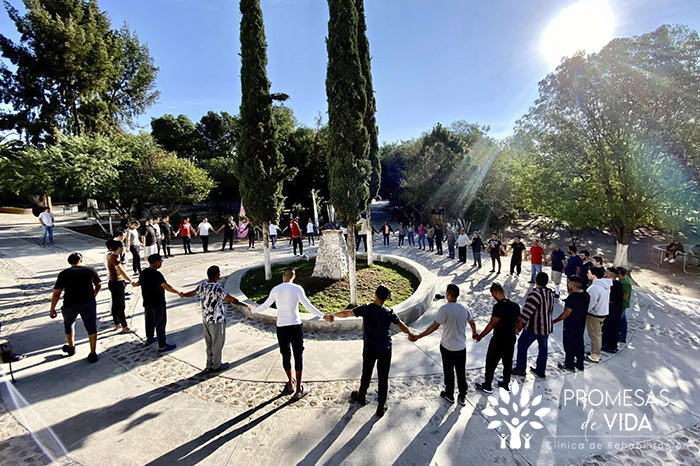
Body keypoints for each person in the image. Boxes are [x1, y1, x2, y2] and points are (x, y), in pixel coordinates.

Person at [331, 285, 414, 417]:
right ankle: (381, 406)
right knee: (383, 377)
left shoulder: (366, 309)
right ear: (386, 299)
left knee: (367, 373)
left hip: (370, 348)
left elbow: (347, 313)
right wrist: (410, 333)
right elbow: (400, 324)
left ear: (375, 294)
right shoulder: (389, 311)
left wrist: (332, 315)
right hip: (385, 349)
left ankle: (361, 396)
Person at [254, 268, 333, 399]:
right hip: (295, 325)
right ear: (293, 277)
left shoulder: (276, 289)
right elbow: (308, 306)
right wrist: (323, 315)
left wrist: (253, 310)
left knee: (285, 355)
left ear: (283, 276)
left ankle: (290, 383)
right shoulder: (297, 289)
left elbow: (265, 305)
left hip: (282, 327)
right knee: (298, 355)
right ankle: (298, 390)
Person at [410, 284, 476, 406]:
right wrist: (475, 333)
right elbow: (472, 323)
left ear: (448, 294)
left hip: (447, 346)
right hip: (461, 347)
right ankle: (462, 394)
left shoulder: (444, 309)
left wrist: (418, 336)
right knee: (461, 371)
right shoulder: (465, 308)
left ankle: (449, 393)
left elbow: (434, 327)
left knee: (448, 371)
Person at [182, 266, 252, 372]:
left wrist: (183, 295)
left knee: (209, 343)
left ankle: (209, 364)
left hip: (206, 319)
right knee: (217, 343)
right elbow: (230, 299)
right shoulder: (217, 288)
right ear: (217, 276)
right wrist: (245, 305)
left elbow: (192, 293)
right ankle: (217, 365)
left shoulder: (202, 285)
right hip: (217, 320)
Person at [49, 253, 101, 363]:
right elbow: (98, 284)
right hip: (88, 303)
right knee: (91, 326)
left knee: (69, 324)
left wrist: (52, 308)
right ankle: (93, 352)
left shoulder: (63, 274)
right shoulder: (90, 270)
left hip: (70, 303)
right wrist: (94, 295)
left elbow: (57, 293)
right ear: (81, 260)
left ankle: (71, 347)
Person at [474, 283, 521, 394]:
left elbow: (492, 324)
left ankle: (487, 385)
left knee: (491, 361)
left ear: (495, 293)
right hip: (510, 338)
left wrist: (480, 336)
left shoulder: (498, 306)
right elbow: (519, 321)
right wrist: (517, 330)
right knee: (507, 362)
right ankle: (505, 383)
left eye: (493, 295)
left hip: (499, 338)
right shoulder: (515, 305)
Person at [135, 254, 183, 352]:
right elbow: (165, 286)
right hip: (158, 302)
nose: (161, 263)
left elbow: (138, 283)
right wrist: (178, 292)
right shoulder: (156, 274)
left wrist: (133, 284)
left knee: (149, 322)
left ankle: (150, 338)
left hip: (147, 302)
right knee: (160, 324)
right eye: (160, 261)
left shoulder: (143, 272)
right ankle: (162, 345)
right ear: (156, 262)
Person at [512, 272, 554, 378]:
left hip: (533, 328)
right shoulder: (550, 293)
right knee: (543, 349)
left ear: (536, 280)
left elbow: (526, 312)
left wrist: (519, 326)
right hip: (546, 327)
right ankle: (541, 370)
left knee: (522, 345)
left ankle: (520, 368)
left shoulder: (535, 294)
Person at [553, 276, 590, 372]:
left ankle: (569, 364)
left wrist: (554, 321)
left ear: (573, 285)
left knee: (568, 344)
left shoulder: (572, 298)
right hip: (581, 323)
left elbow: (566, 313)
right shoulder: (586, 295)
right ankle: (580, 364)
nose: (568, 285)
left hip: (570, 324)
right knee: (579, 343)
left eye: (569, 283)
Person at [106, 240, 138, 333]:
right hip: (118, 283)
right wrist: (130, 280)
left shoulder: (109, 255)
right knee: (121, 305)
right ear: (119, 248)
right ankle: (125, 326)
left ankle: (117, 324)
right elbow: (121, 271)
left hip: (112, 282)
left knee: (115, 304)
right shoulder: (115, 258)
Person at [585, 267, 611, 363]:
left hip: (595, 314)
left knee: (594, 335)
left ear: (594, 275)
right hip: (602, 312)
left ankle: (595, 355)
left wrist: (584, 311)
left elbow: (590, 303)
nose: (587, 274)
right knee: (597, 334)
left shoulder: (595, 288)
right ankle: (595, 351)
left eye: (589, 273)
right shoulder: (605, 286)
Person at [601, 268, 623, 354]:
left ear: (610, 275)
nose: (605, 273)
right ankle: (606, 343)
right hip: (610, 310)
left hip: (613, 311)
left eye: (606, 272)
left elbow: (614, 299)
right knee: (606, 328)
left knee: (612, 328)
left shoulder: (615, 285)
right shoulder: (611, 284)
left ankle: (611, 346)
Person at [617, 267, 632, 343]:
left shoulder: (624, 283)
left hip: (622, 304)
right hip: (623, 304)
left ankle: (621, 336)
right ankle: (622, 335)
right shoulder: (624, 280)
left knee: (620, 320)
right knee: (623, 320)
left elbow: (625, 296)